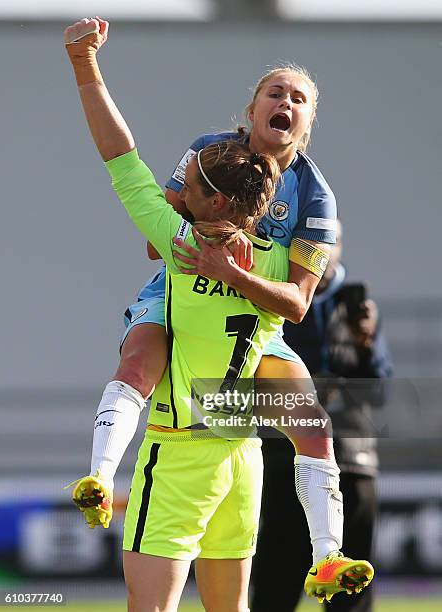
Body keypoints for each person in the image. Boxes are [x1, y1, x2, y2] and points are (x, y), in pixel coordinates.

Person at [64, 16, 373, 607]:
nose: (285, 101)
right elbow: (159, 236)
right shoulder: (205, 165)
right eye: (274, 92)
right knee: (140, 363)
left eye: (298, 97)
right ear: (251, 111)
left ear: (307, 124)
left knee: (310, 421)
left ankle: (329, 556)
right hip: (202, 396)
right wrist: (203, 239)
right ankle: (100, 476)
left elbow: (299, 304)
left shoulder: (313, 200)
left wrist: (229, 269)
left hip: (240, 397)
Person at [251, 221, 393, 612]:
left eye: (329, 243)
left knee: (351, 586)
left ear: (340, 247)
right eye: (313, 244)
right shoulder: (279, 296)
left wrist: (366, 343)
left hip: (354, 460)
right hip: (288, 460)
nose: (323, 252)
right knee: (276, 577)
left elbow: (380, 389)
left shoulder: (359, 309)